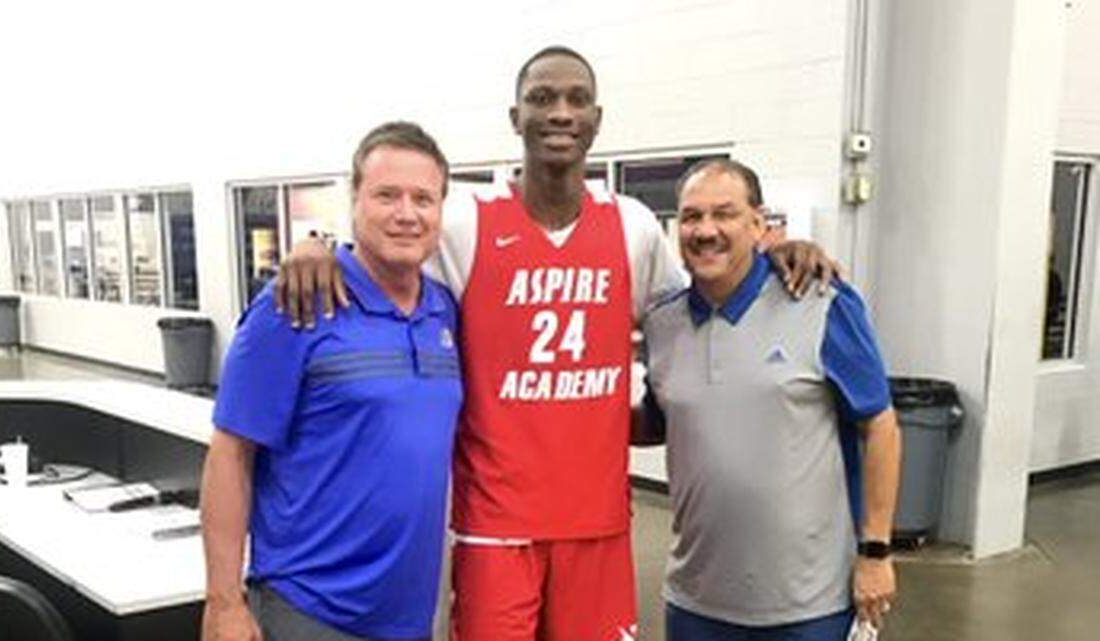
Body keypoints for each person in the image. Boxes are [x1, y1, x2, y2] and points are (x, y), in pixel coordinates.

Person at [276, 47, 838, 641]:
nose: (560, 113)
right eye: (542, 99)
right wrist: (323, 246)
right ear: (516, 118)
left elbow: (705, 302)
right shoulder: (469, 220)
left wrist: (773, 252)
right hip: (495, 524)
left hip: (597, 523)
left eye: (575, 99)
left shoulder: (632, 225)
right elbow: (393, 258)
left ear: (597, 118)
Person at [199, 121, 462, 641]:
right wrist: (224, 602)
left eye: (423, 199)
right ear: (355, 201)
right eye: (387, 195)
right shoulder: (294, 306)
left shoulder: (444, 311)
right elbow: (230, 454)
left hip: (409, 619)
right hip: (308, 612)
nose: (406, 214)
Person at [634, 159, 901, 641]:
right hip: (695, 600)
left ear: (758, 224)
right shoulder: (662, 324)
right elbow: (657, 422)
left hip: (808, 606)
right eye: (691, 217)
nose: (705, 230)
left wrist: (876, 552)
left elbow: (881, 425)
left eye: (725, 213)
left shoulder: (820, 301)